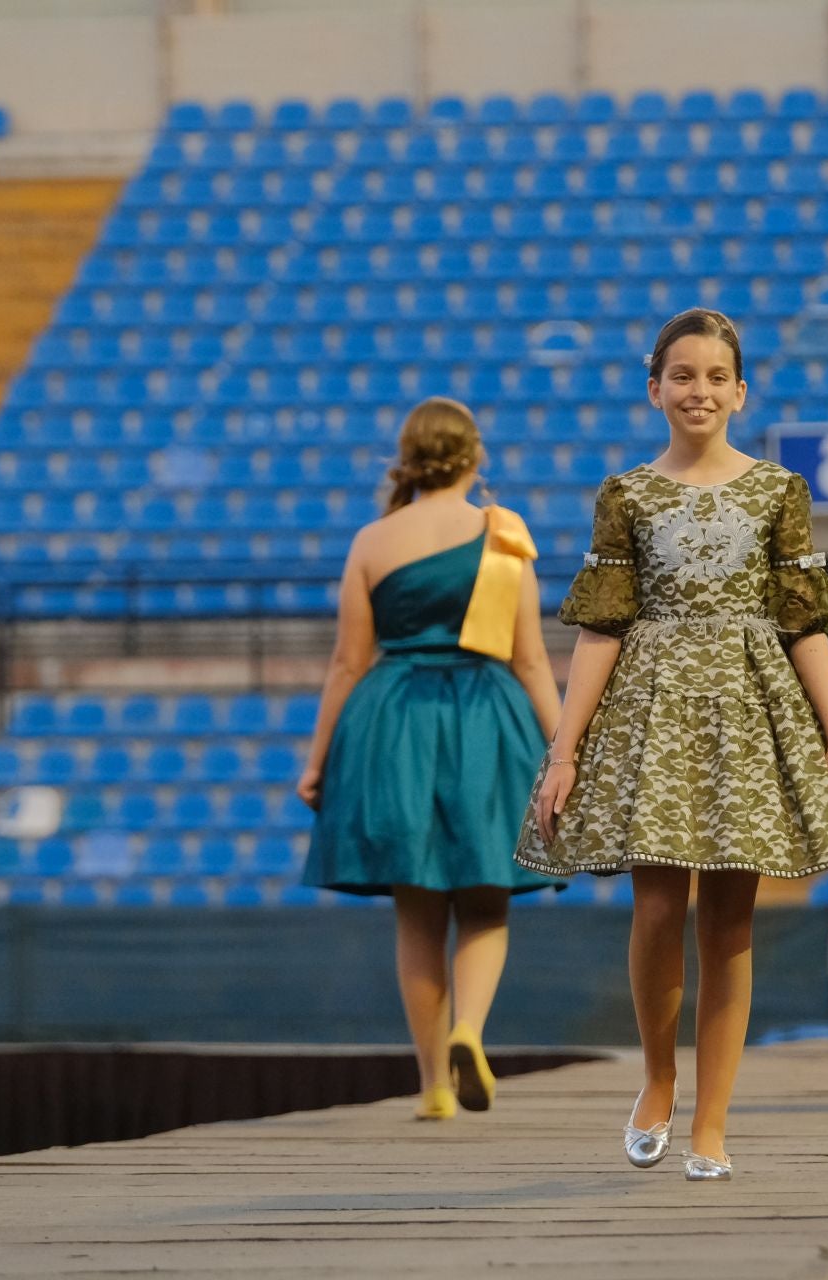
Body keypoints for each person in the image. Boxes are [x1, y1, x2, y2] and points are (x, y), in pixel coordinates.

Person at [514, 308, 828, 1182]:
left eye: (716, 377)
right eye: (682, 376)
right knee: (657, 907)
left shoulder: (777, 492)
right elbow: (602, 628)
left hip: (750, 712)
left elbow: (806, 629)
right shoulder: (627, 494)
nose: (700, 391)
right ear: (655, 389)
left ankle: (714, 1125)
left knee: (729, 924)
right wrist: (565, 749)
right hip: (653, 715)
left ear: (741, 391)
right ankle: (657, 1079)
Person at [297, 398, 563, 1122]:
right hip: (486, 720)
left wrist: (317, 761)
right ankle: (472, 1031)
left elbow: (348, 664)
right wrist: (567, 750)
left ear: (406, 461)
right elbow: (532, 660)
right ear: (475, 458)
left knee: (417, 912)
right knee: (486, 900)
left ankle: (433, 1085)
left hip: (395, 723)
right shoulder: (503, 536)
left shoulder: (373, 541)